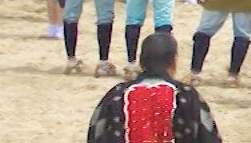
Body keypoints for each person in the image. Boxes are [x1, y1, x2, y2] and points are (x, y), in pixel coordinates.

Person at [85, 32, 223, 143]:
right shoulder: (186, 95)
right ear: (173, 62)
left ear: (141, 61)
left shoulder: (117, 94)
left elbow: (96, 133)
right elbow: (208, 135)